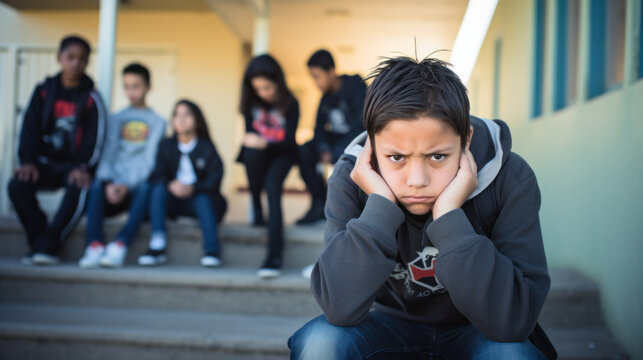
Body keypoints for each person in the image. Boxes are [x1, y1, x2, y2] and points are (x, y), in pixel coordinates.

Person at [288, 56, 557, 359]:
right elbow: (338, 307)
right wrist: (379, 207)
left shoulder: (509, 177)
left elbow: (514, 321)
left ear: (466, 140)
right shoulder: (352, 179)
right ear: (372, 147)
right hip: (391, 326)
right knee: (321, 343)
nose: (417, 181)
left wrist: (449, 219)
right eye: (397, 157)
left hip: (480, 332)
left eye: (438, 156)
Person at [8, 35, 107, 266]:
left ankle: (51, 243)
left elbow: (97, 137)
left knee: (81, 185)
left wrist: (84, 166)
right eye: (70, 57)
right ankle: (41, 240)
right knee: (17, 186)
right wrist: (27, 162)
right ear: (59, 58)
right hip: (43, 162)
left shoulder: (91, 97)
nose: (75, 63)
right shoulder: (43, 91)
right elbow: (28, 129)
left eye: (82, 59)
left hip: (74, 165)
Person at [78, 63, 166, 268]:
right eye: (127, 86)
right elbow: (108, 153)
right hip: (112, 185)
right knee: (97, 184)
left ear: (148, 87)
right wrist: (110, 182)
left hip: (136, 188)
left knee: (147, 187)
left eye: (136, 86)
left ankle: (120, 245)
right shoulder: (115, 118)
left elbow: (149, 160)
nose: (131, 91)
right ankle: (94, 245)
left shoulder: (158, 122)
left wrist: (127, 185)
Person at [141, 99, 227, 267]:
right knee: (158, 190)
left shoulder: (207, 147)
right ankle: (157, 246)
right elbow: (157, 174)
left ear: (198, 120)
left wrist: (194, 188)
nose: (181, 119)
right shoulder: (166, 145)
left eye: (187, 115)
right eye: (177, 115)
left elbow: (215, 179)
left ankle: (212, 250)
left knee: (203, 198)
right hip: (172, 200)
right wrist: (170, 185)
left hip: (197, 201)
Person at [237, 54, 299, 278]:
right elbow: (249, 136)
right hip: (258, 156)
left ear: (278, 83)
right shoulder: (250, 102)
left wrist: (263, 142)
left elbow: (289, 142)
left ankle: (274, 256)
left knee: (273, 188)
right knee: (251, 154)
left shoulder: (291, 103)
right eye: (258, 88)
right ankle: (255, 202)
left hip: (283, 154)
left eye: (267, 88)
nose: (262, 93)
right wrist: (254, 142)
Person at [296, 49, 366, 225]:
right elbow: (318, 128)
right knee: (303, 150)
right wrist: (323, 148)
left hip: (357, 141)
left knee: (349, 155)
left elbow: (362, 124)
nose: (315, 82)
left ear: (331, 72)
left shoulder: (356, 87)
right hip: (333, 142)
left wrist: (334, 150)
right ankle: (319, 202)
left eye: (317, 76)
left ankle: (351, 210)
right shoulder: (325, 98)